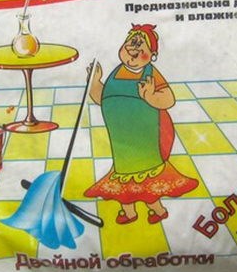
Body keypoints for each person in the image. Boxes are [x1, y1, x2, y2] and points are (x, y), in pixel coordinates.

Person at [84, 24, 199, 224]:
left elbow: (169, 99)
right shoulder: (116, 72)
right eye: (130, 43)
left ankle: (158, 210)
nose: (133, 49)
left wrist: (151, 96)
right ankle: (129, 212)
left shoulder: (150, 74)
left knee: (147, 180)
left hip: (145, 141)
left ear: (152, 55)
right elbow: (103, 97)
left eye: (140, 46)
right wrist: (95, 83)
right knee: (123, 178)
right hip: (121, 143)